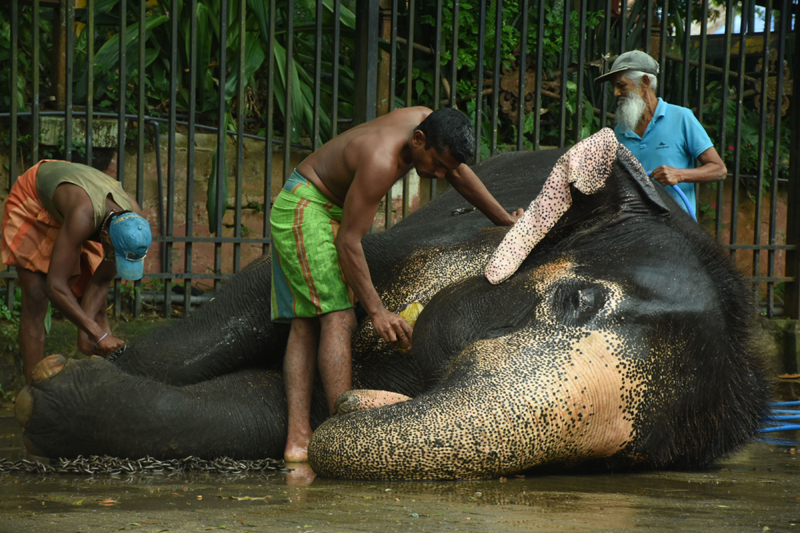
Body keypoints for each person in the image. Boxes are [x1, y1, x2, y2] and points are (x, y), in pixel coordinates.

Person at [270, 106, 524, 462]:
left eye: (445, 168)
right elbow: (348, 242)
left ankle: (299, 442)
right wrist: (377, 311)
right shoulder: (381, 160)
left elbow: (459, 173)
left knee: (306, 322)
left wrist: (504, 220)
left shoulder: (427, 122)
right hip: (307, 206)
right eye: (436, 165)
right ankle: (343, 440)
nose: (439, 175)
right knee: (340, 318)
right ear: (418, 140)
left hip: (330, 208)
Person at [1, 156, 152, 384]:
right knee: (37, 296)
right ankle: (36, 393)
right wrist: (98, 334)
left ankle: (104, 386)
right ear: (105, 236)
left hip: (79, 205)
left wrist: (86, 333)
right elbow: (56, 287)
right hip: (34, 199)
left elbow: (100, 282)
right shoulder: (84, 216)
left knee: (95, 303)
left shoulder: (134, 222)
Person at [595, 50, 727, 215]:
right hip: (637, 228)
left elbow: (719, 170)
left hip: (676, 228)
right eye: (614, 86)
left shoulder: (681, 118)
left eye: (621, 85)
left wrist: (678, 174)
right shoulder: (619, 132)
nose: (615, 93)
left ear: (645, 82)